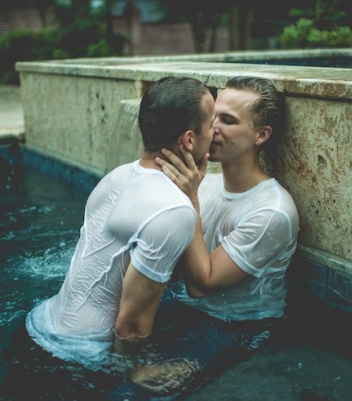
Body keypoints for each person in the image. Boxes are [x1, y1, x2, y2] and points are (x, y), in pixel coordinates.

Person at [21, 76, 215, 373]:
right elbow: (131, 327)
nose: (216, 132)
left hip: (41, 322)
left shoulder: (117, 177)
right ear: (189, 140)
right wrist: (139, 372)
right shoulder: (174, 210)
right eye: (212, 124)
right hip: (82, 353)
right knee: (198, 370)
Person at [157, 76, 299, 323]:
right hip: (187, 308)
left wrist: (189, 199)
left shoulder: (272, 212)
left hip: (238, 326)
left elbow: (202, 285)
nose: (213, 129)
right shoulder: (204, 185)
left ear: (261, 134)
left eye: (228, 121)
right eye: (213, 118)